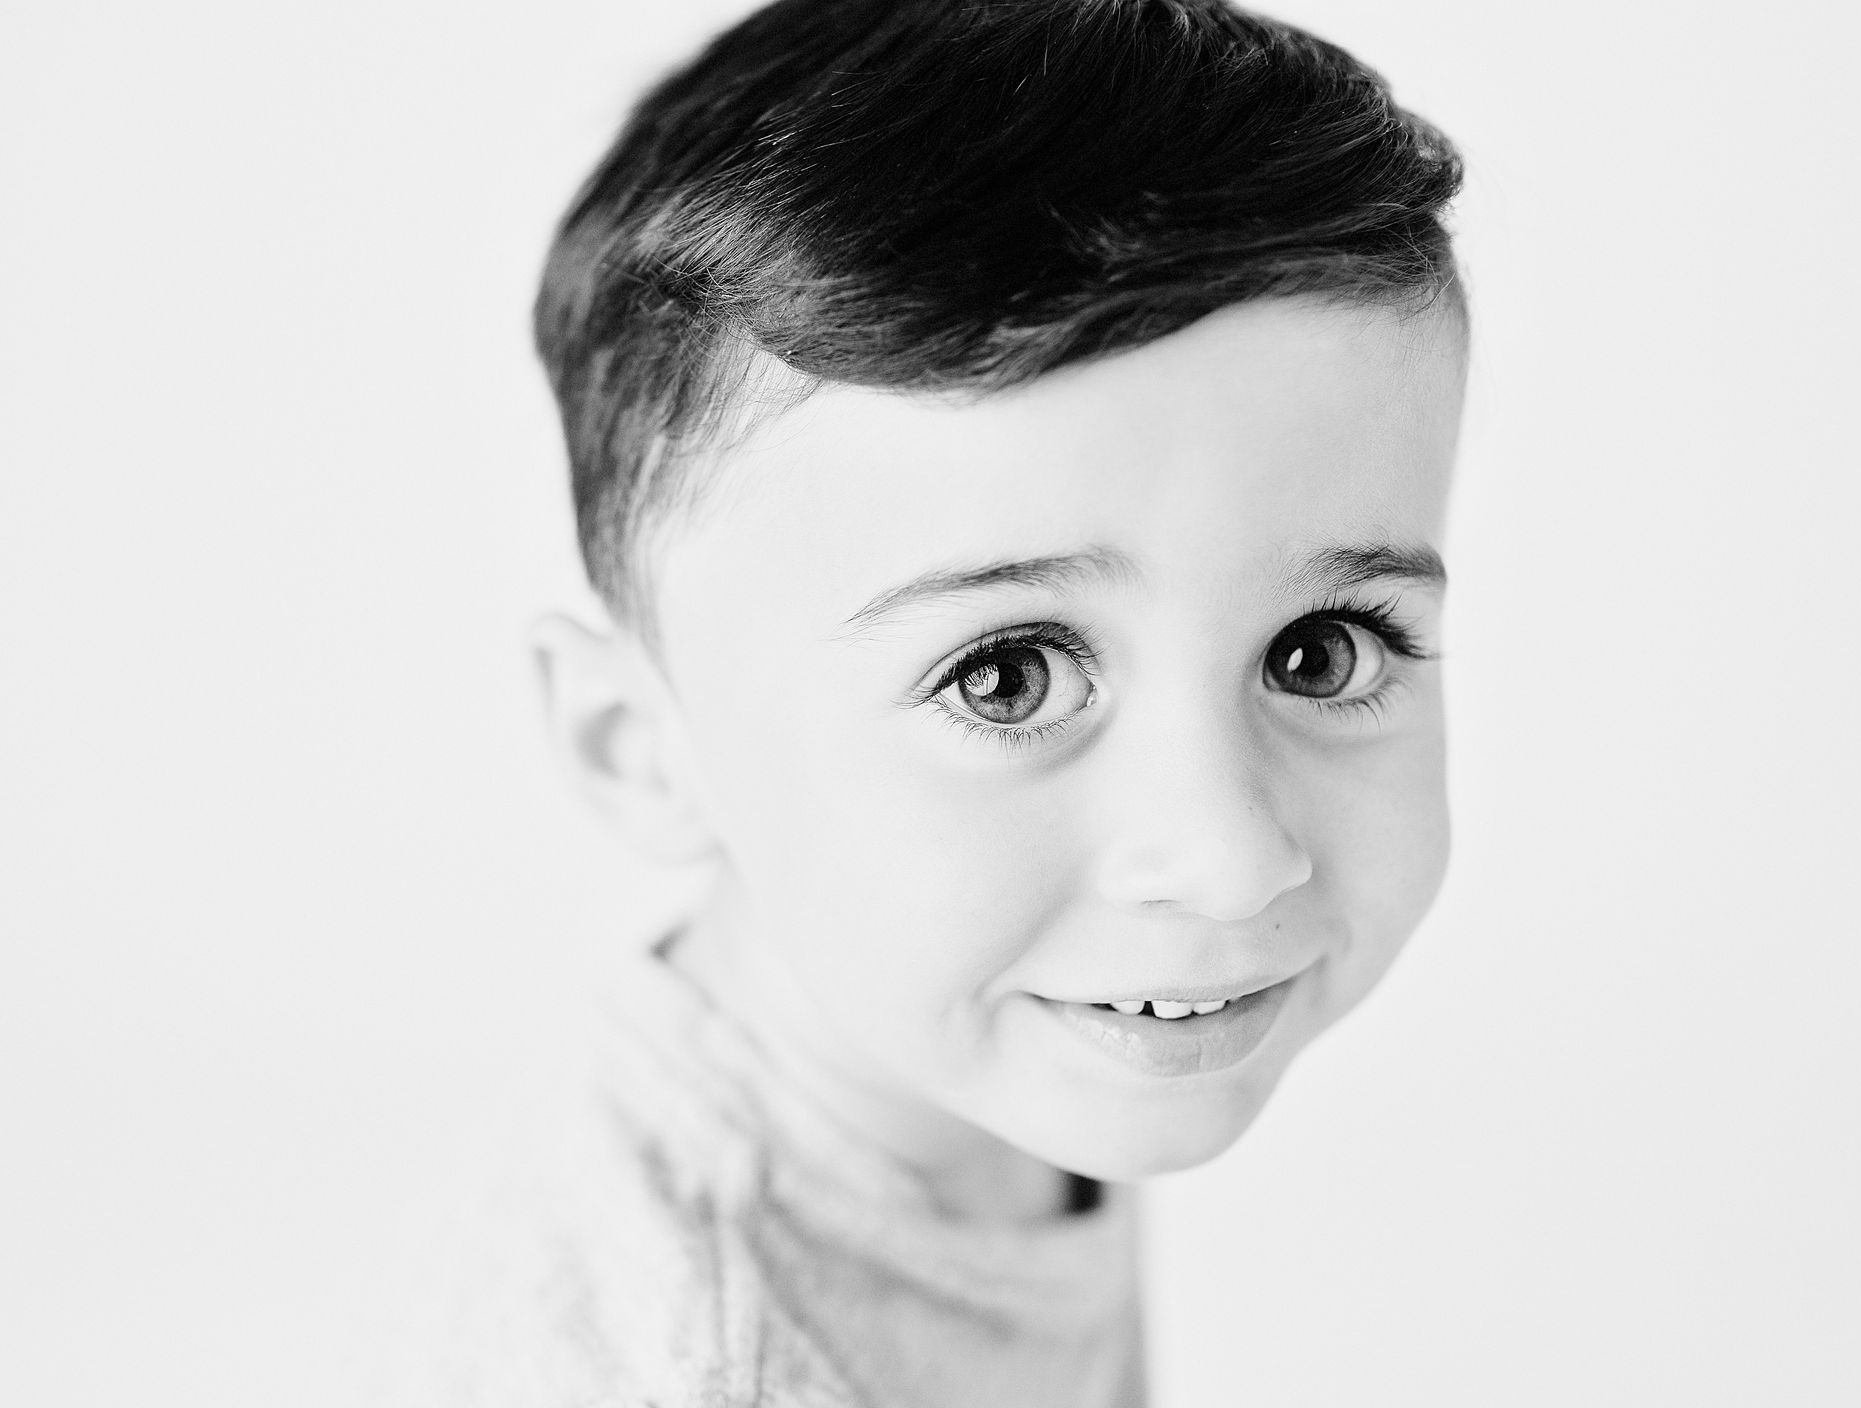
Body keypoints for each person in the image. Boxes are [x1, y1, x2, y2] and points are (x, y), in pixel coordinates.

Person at [491, 0, 1467, 1402]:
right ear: (638, 747)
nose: (1230, 857)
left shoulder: (1002, 1043)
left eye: (1321, 650)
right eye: (1006, 677)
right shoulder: (688, 1361)